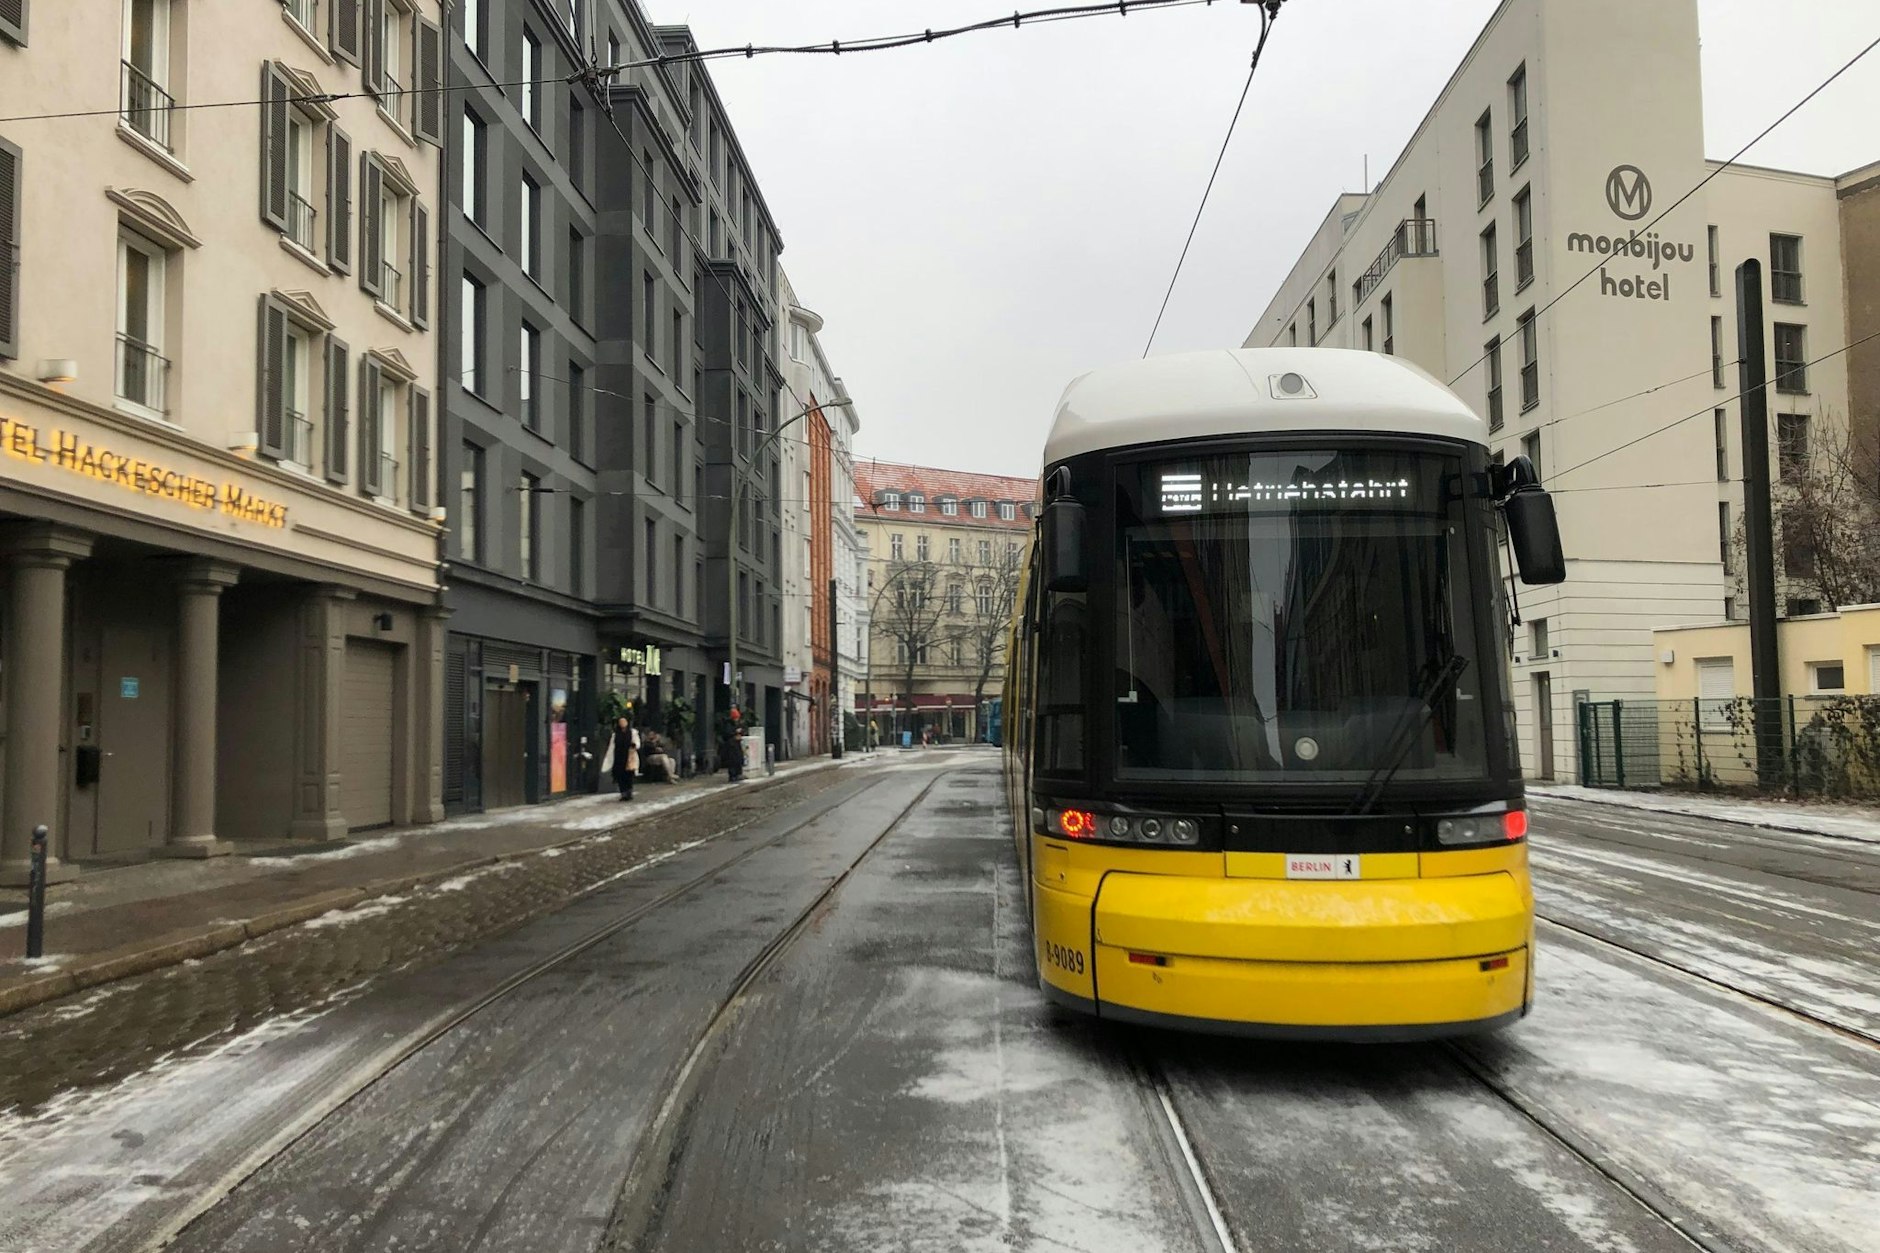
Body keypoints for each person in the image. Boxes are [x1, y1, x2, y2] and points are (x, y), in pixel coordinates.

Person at [600, 712, 640, 801]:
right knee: (620, 775)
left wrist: (634, 745)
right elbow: (612, 746)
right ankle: (623, 793)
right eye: (621, 722)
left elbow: (637, 742)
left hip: (629, 757)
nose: (622, 723)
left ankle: (629, 792)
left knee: (628, 775)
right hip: (618, 757)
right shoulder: (615, 735)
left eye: (624, 721)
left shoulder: (632, 732)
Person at [719, 708, 745, 783]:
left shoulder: (737, 723)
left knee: (738, 759)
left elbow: (742, 730)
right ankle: (733, 775)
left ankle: (738, 774)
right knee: (732, 760)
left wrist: (740, 733)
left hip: (736, 743)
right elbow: (727, 734)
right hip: (731, 745)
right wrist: (735, 732)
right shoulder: (728, 724)